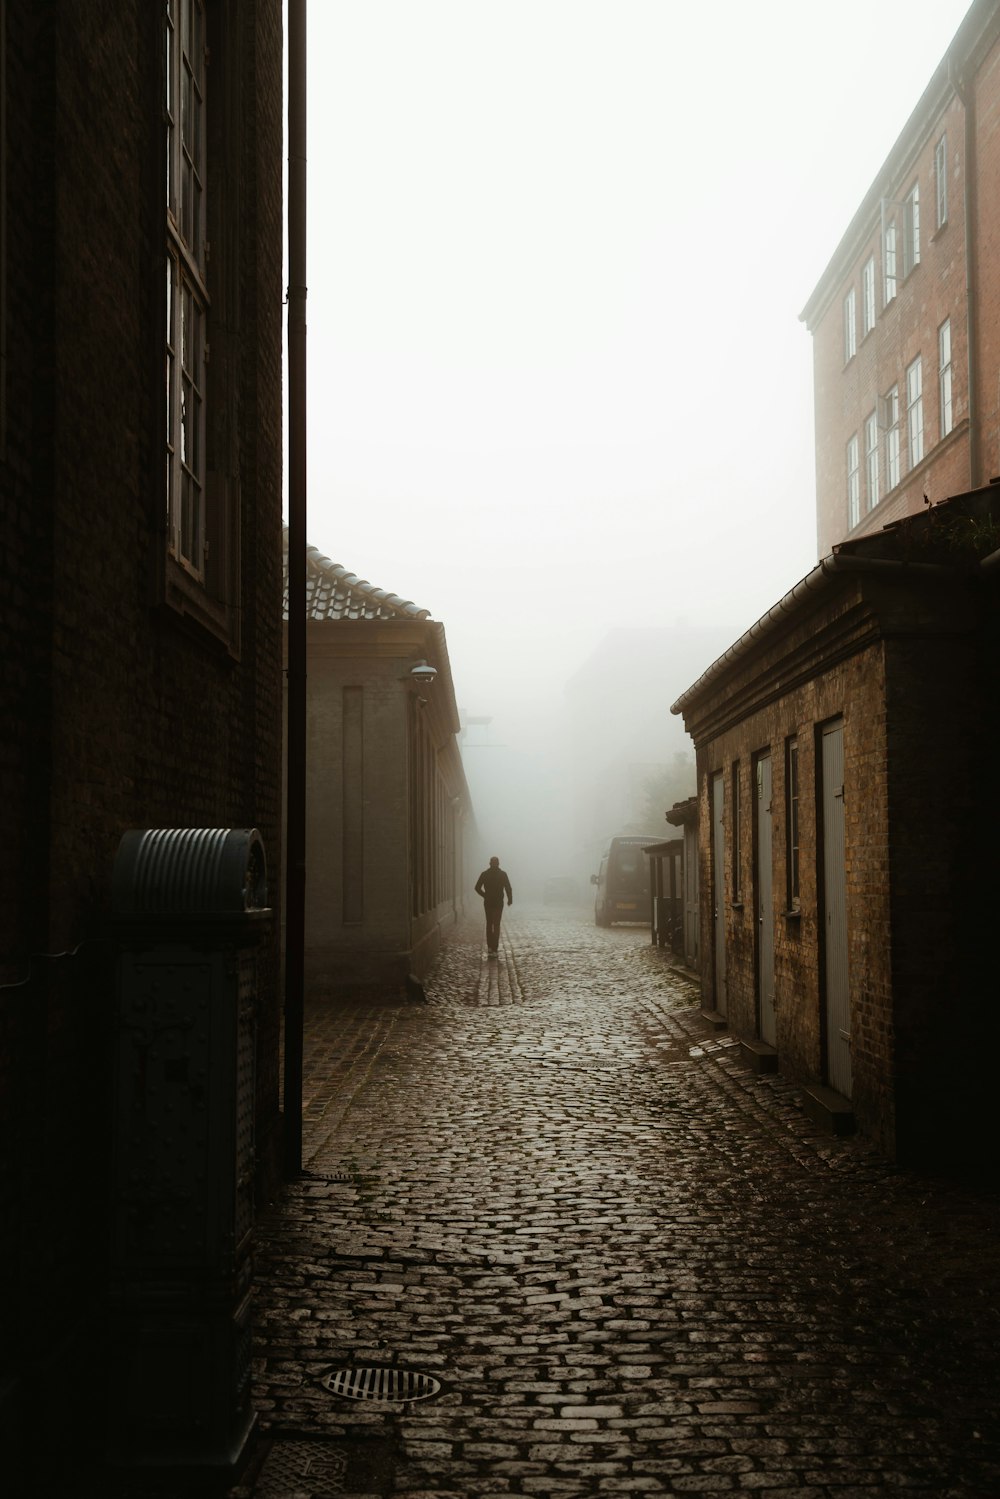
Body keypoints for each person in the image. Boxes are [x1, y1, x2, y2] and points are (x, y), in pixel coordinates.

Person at [474, 856, 513, 956]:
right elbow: (508, 887)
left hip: (488, 903)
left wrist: (485, 895)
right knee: (496, 925)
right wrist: (509, 899)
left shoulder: (485, 874)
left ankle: (490, 947)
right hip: (498, 903)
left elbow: (477, 888)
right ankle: (494, 948)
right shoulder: (503, 874)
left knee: (489, 924)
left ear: (490, 864)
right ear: (498, 864)